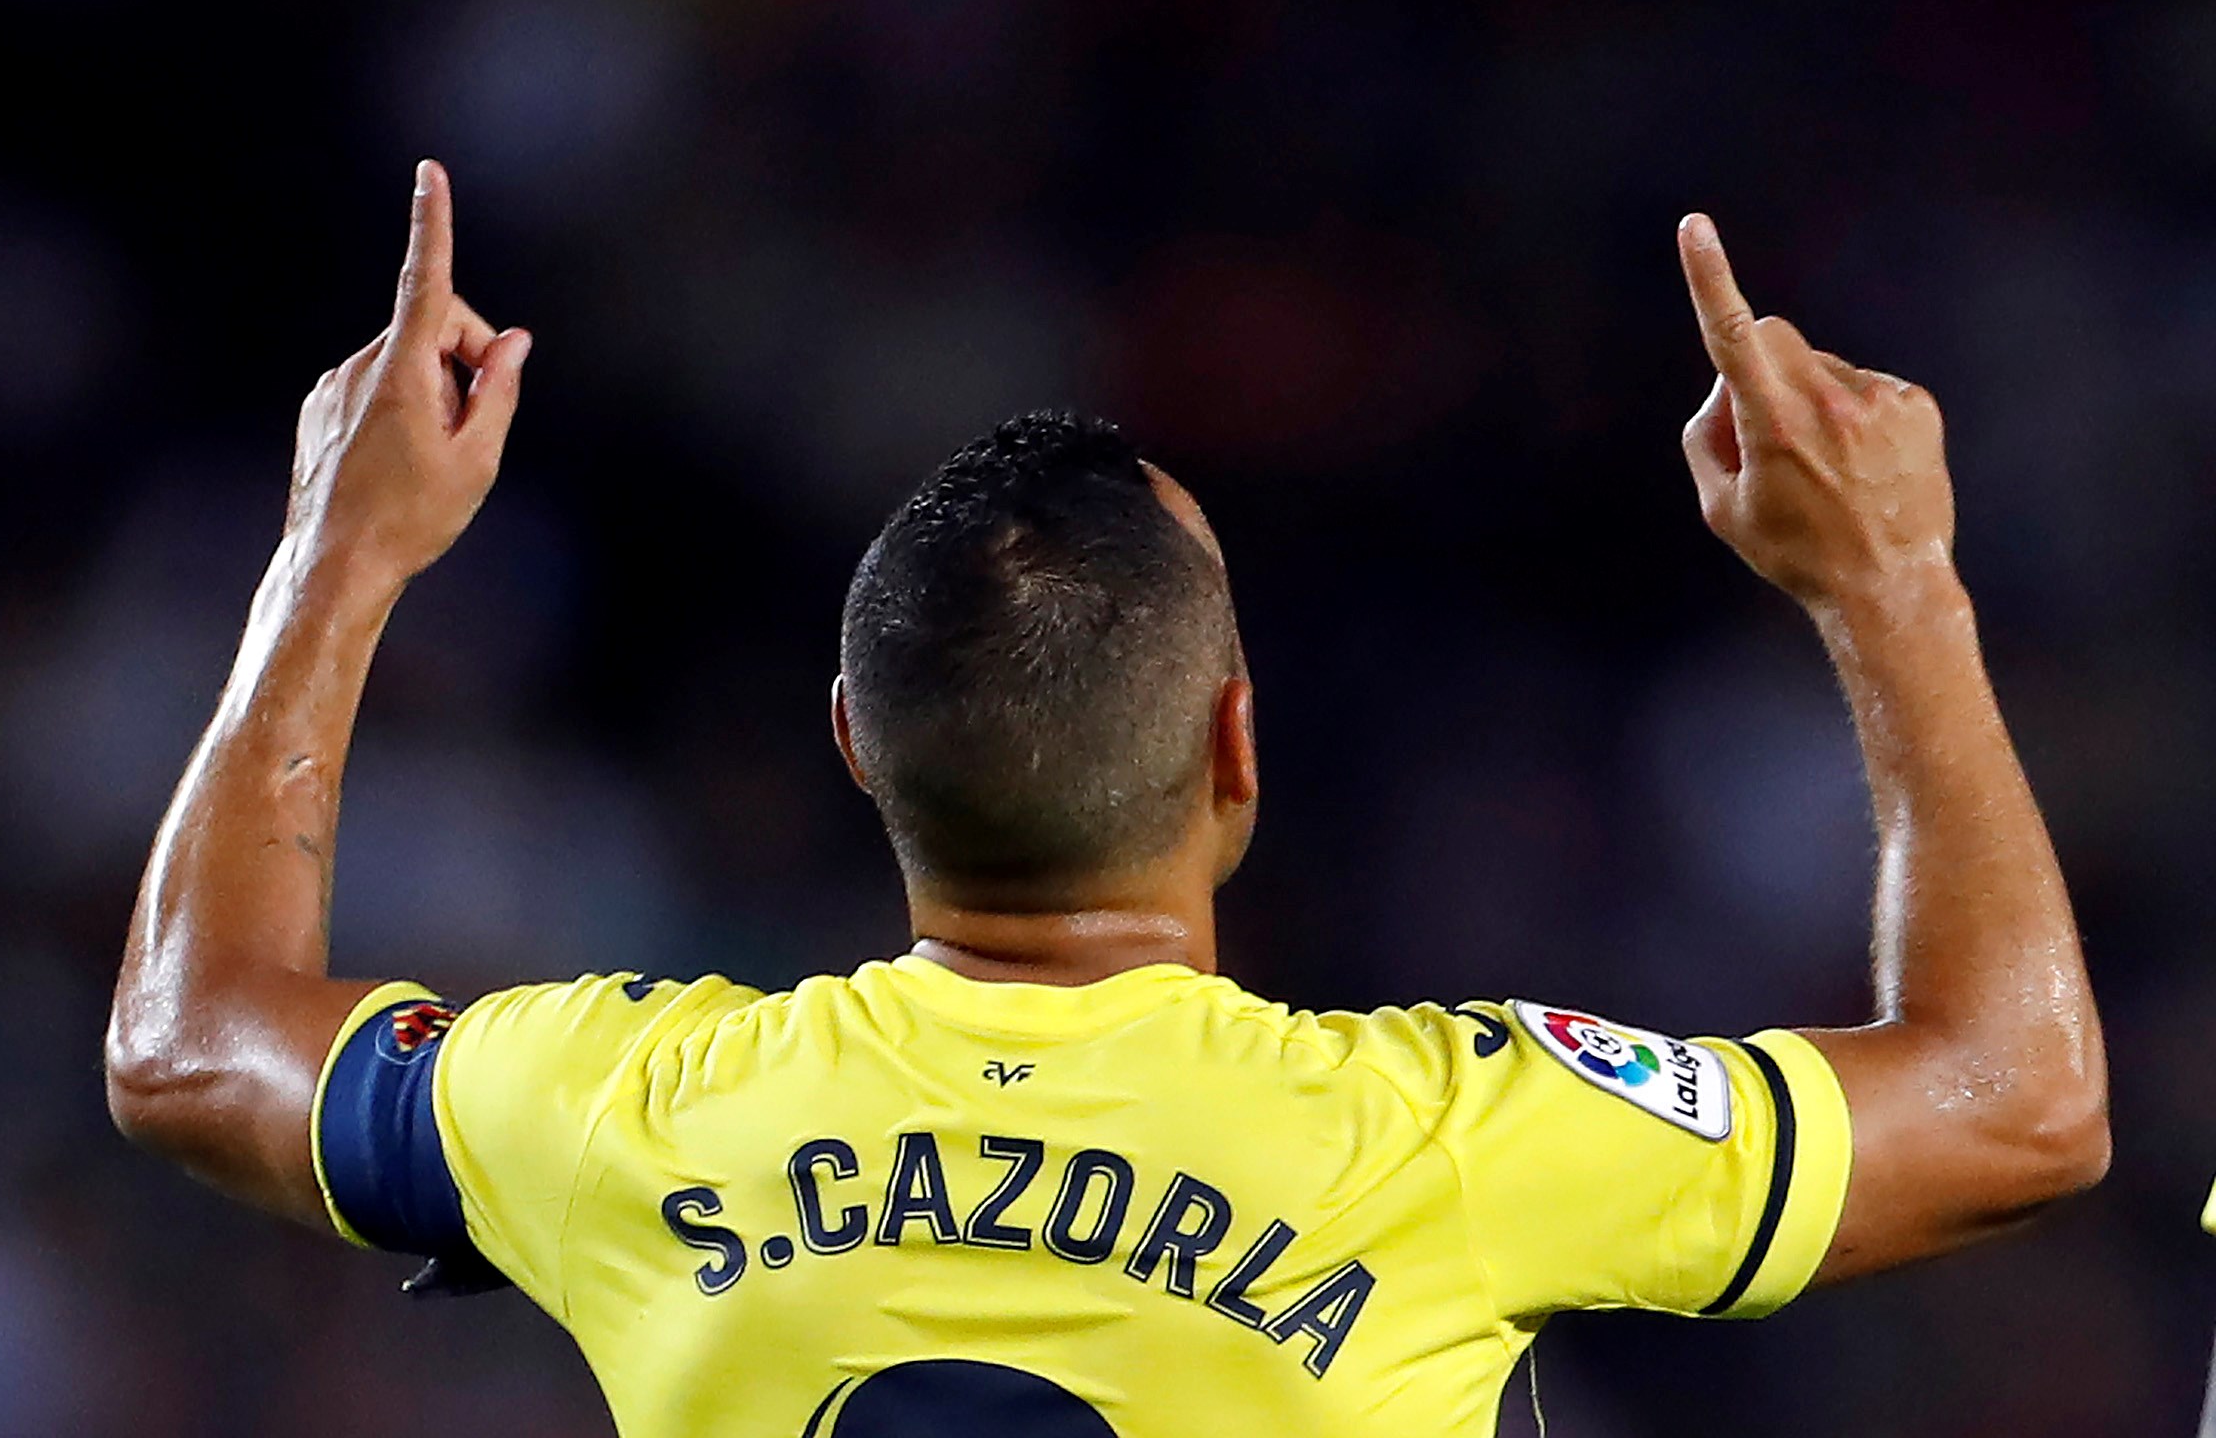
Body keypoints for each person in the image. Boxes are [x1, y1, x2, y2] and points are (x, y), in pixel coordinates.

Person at [105, 161, 2109, 1436]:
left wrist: (335, 557)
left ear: (852, 748)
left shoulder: (629, 1107)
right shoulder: (1447, 1138)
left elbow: (192, 1050)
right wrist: (1894, 580)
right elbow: (2023, 1098)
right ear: (1239, 750)